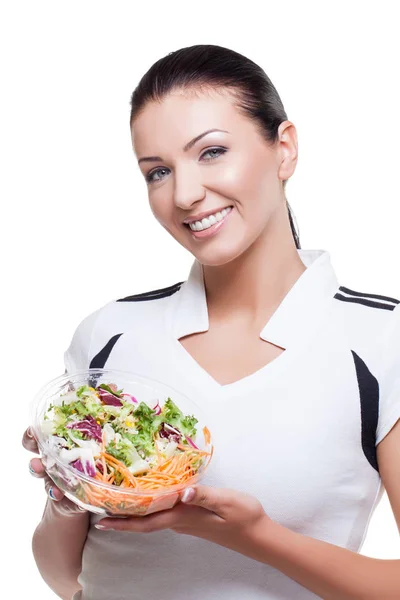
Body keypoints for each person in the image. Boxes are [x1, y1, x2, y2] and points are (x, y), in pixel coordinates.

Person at [23, 44, 400, 600]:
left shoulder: (380, 341)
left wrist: (255, 537)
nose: (185, 194)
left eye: (212, 151)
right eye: (157, 172)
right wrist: (67, 492)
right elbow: (70, 579)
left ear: (284, 149)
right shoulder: (109, 336)